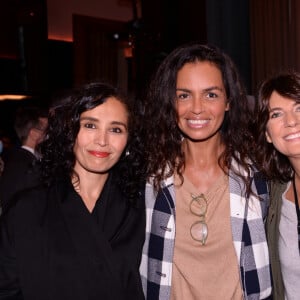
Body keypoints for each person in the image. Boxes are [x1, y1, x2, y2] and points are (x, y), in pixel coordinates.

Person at [139, 43, 272, 299]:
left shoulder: (258, 178)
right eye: (184, 95)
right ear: (170, 102)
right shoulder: (148, 179)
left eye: (210, 95)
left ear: (228, 102)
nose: (197, 108)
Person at [0, 82, 145, 299]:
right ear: (70, 131)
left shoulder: (141, 207)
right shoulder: (27, 209)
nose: (102, 140)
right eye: (90, 125)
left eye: (115, 129)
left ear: (128, 140)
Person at [255, 70, 300, 300]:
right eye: (276, 114)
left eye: (299, 108)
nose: (291, 122)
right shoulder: (275, 197)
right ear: (268, 135)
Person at [0, 106, 48, 213]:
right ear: (34, 134)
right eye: (46, 131)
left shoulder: (15, 160)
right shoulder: (29, 166)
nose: (49, 135)